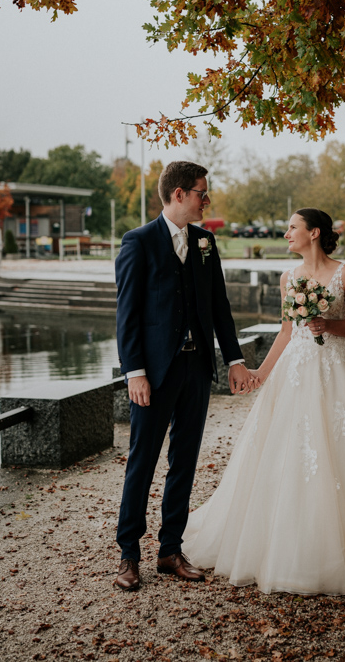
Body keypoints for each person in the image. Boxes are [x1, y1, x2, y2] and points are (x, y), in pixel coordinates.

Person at [182, 209, 345, 595]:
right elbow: (287, 331)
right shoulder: (289, 277)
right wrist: (259, 374)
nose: (286, 233)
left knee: (340, 451)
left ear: (314, 233)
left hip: (336, 369)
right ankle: (284, 545)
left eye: (292, 227)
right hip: (295, 371)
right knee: (286, 450)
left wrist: (329, 325)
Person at [114, 161, 258, 591]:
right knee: (142, 461)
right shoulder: (137, 242)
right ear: (178, 194)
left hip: (197, 370)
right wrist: (134, 372)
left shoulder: (205, 242)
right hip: (154, 374)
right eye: (201, 193)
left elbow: (219, 307)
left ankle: (170, 549)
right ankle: (128, 555)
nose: (206, 200)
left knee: (185, 461)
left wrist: (234, 360)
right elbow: (128, 316)